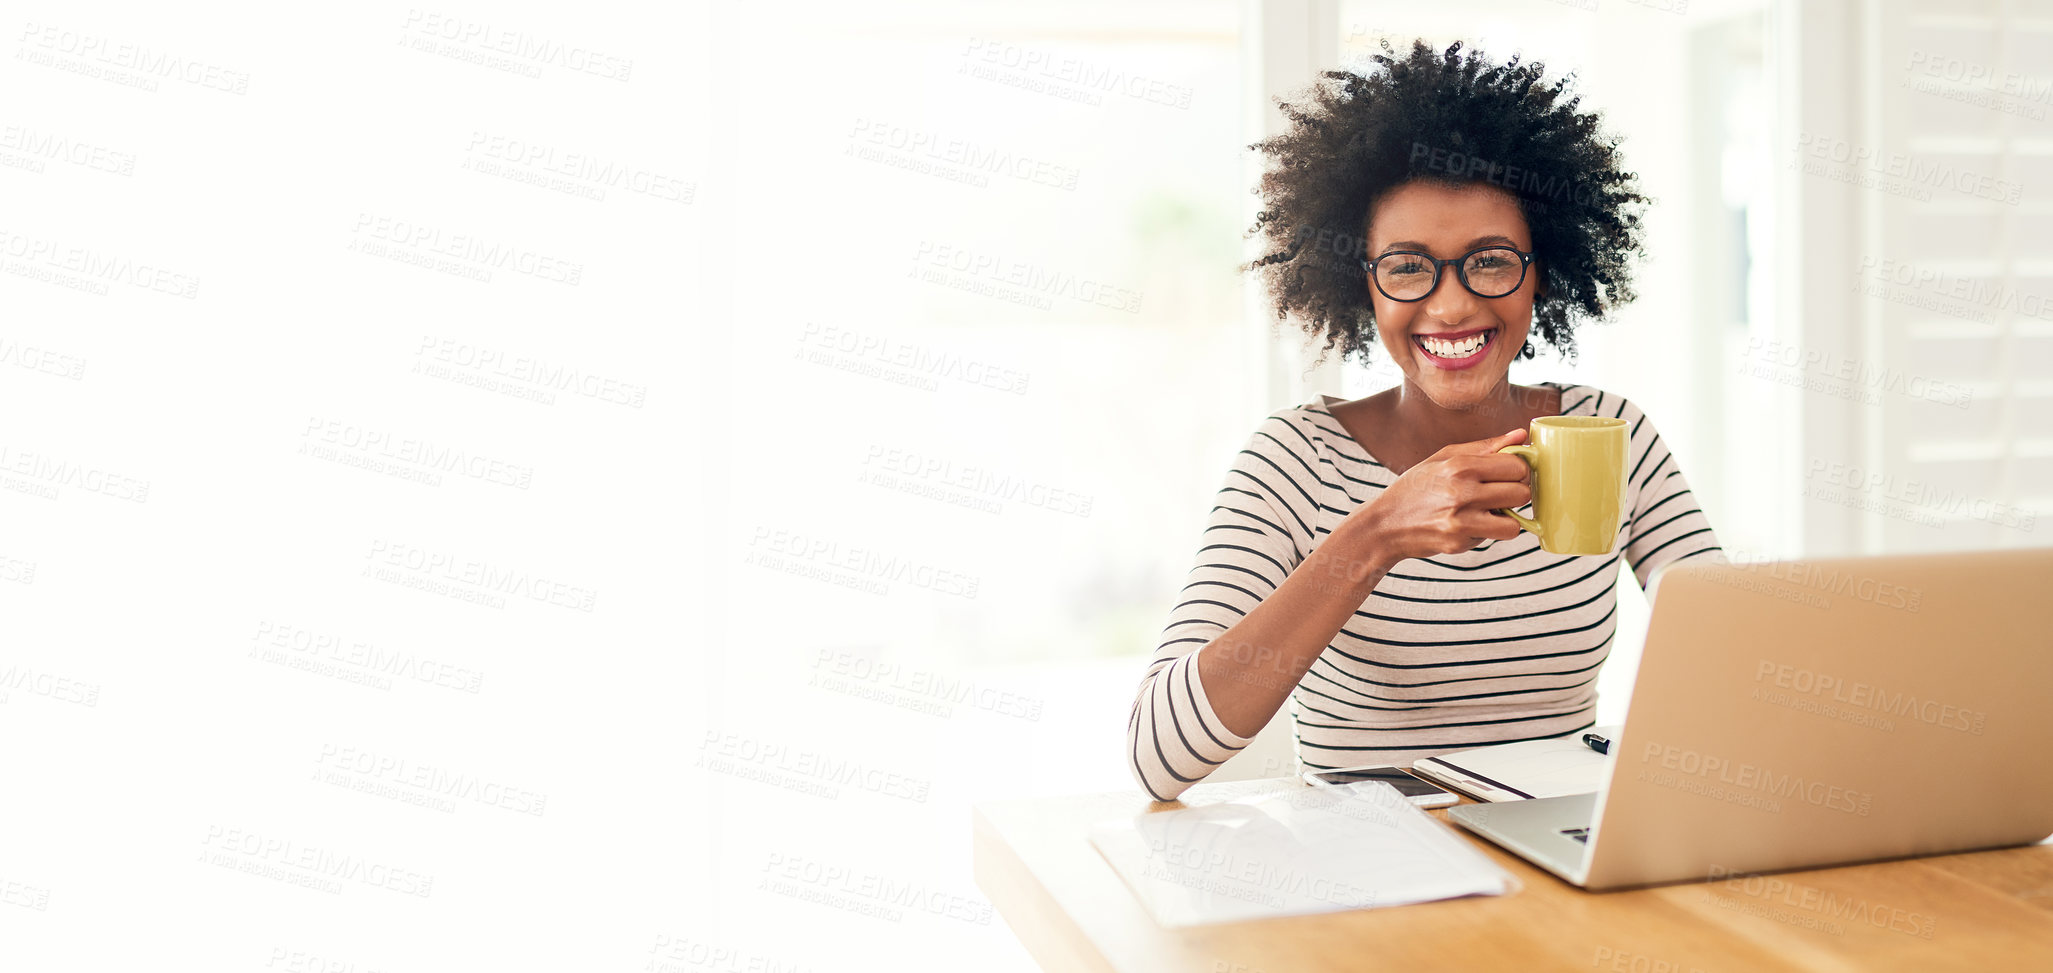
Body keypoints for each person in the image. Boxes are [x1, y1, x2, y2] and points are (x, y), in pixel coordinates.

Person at [1127, 40, 1724, 802]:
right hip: (1370, 868)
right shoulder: (1295, 460)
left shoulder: (1611, 432)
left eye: (1491, 260)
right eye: (1408, 266)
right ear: (1363, 285)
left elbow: (1733, 660)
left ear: (1539, 272)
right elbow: (1157, 756)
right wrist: (1374, 532)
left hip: (1567, 859)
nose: (1451, 306)